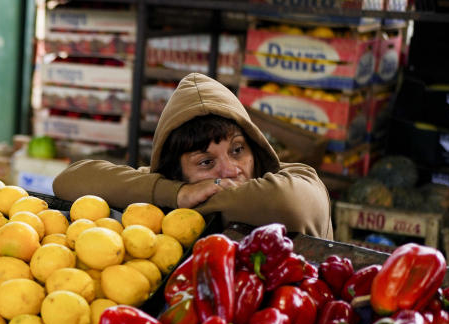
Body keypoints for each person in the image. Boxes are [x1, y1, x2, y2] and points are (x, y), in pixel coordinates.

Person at [53, 73, 333, 238]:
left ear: (254, 145)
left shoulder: (299, 177)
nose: (231, 169)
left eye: (238, 150)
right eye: (206, 162)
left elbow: (286, 204)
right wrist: (174, 194)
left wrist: (181, 206)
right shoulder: (172, 187)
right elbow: (68, 181)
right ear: (177, 173)